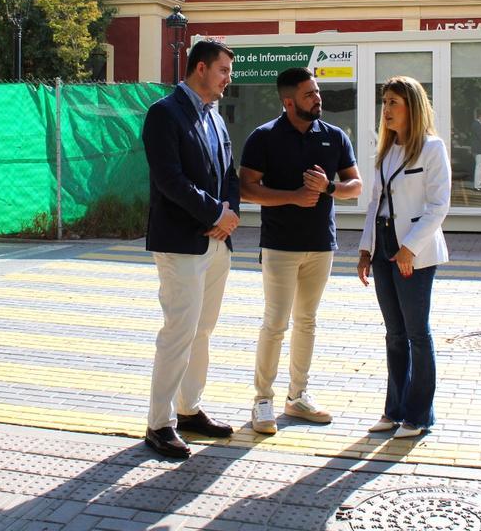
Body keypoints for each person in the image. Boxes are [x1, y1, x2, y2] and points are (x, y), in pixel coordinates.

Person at [240, 67, 362, 435]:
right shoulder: (264, 137)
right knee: (275, 323)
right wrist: (292, 197)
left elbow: (354, 185)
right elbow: (245, 188)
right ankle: (263, 400)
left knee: (307, 322)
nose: (318, 99)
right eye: (310, 94)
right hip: (279, 245)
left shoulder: (335, 136)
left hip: (321, 244)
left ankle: (298, 395)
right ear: (288, 101)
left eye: (318, 92)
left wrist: (328, 189)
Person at [141, 38, 241, 460]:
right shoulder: (164, 114)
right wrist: (214, 214)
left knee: (202, 331)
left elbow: (228, 173)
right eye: (223, 71)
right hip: (181, 243)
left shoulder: (215, 117)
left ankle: (189, 409)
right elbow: (170, 180)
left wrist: (228, 214)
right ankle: (158, 424)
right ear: (200, 68)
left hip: (216, 244)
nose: (227, 81)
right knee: (179, 332)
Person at [357, 76, 451, 439]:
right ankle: (393, 410)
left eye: (393, 102)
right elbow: (374, 204)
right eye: (384, 102)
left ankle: (419, 415)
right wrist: (366, 249)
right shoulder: (386, 150)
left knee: (416, 334)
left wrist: (410, 247)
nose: (387, 109)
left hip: (414, 251)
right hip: (383, 246)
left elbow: (438, 204)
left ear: (412, 106)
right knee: (394, 334)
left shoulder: (431, 147)